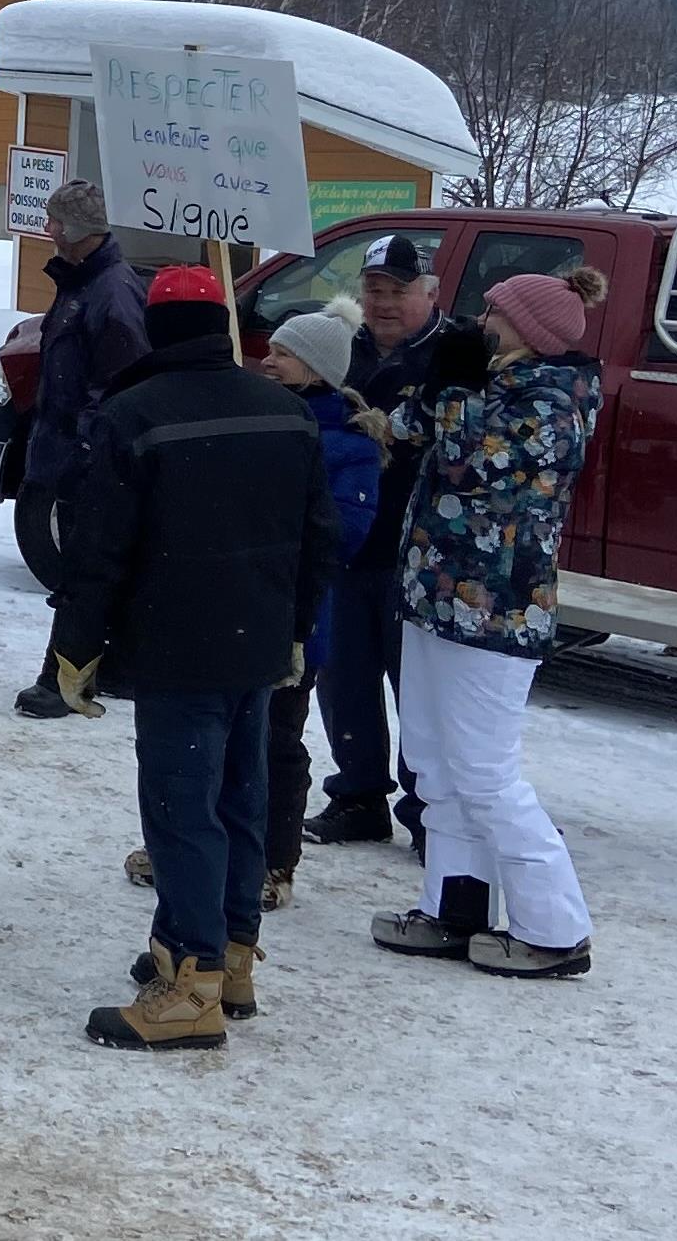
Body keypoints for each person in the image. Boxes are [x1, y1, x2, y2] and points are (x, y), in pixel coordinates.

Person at [35, 265, 334, 1051]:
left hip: (177, 644)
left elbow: (101, 547)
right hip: (258, 643)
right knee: (239, 800)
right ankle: (229, 958)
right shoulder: (287, 413)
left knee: (181, 811)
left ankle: (189, 985)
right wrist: (296, 628)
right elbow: (319, 537)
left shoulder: (135, 414)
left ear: (158, 331)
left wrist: (74, 647)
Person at [370, 265, 608, 980]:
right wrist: (439, 388)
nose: (480, 324)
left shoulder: (554, 403)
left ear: (527, 332)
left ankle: (554, 927)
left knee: (484, 774)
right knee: (435, 766)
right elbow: (410, 426)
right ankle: (454, 907)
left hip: (496, 613)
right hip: (436, 596)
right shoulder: (490, 384)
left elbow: (480, 462)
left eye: (494, 315)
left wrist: (449, 390)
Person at [310, 233, 442, 846]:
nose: (385, 302)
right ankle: (359, 795)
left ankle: (428, 813)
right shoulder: (340, 348)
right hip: (344, 541)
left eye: (399, 290)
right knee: (344, 678)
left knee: (417, 692)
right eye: (375, 290)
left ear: (429, 292)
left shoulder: (455, 353)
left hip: (419, 555)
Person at [258, 304, 383, 908]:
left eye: (281, 354)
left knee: (276, 739)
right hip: (238, 606)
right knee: (219, 733)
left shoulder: (348, 446)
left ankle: (274, 861)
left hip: (298, 618)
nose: (267, 360)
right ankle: (210, 846)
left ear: (313, 368)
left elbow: (344, 534)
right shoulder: (258, 418)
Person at [15, 182, 151, 719]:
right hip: (69, 449)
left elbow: (119, 382)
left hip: (88, 456)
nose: (47, 231)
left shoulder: (110, 291)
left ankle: (65, 677)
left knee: (84, 574)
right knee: (84, 569)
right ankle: (104, 667)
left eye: (54, 222)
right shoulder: (82, 284)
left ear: (74, 230)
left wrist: (90, 450)